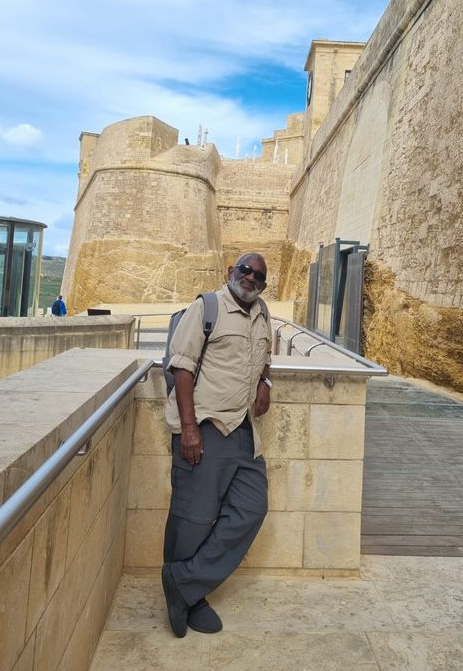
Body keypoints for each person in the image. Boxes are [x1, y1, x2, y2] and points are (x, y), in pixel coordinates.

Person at [162, 252, 272, 638]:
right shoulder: (207, 307)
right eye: (246, 270)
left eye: (259, 275)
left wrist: (266, 383)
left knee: (251, 508)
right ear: (231, 272)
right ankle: (191, 597)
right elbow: (182, 365)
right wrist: (189, 429)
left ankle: (183, 581)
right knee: (194, 516)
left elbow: (264, 359)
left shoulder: (263, 314)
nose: (252, 277)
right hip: (206, 427)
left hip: (244, 432)